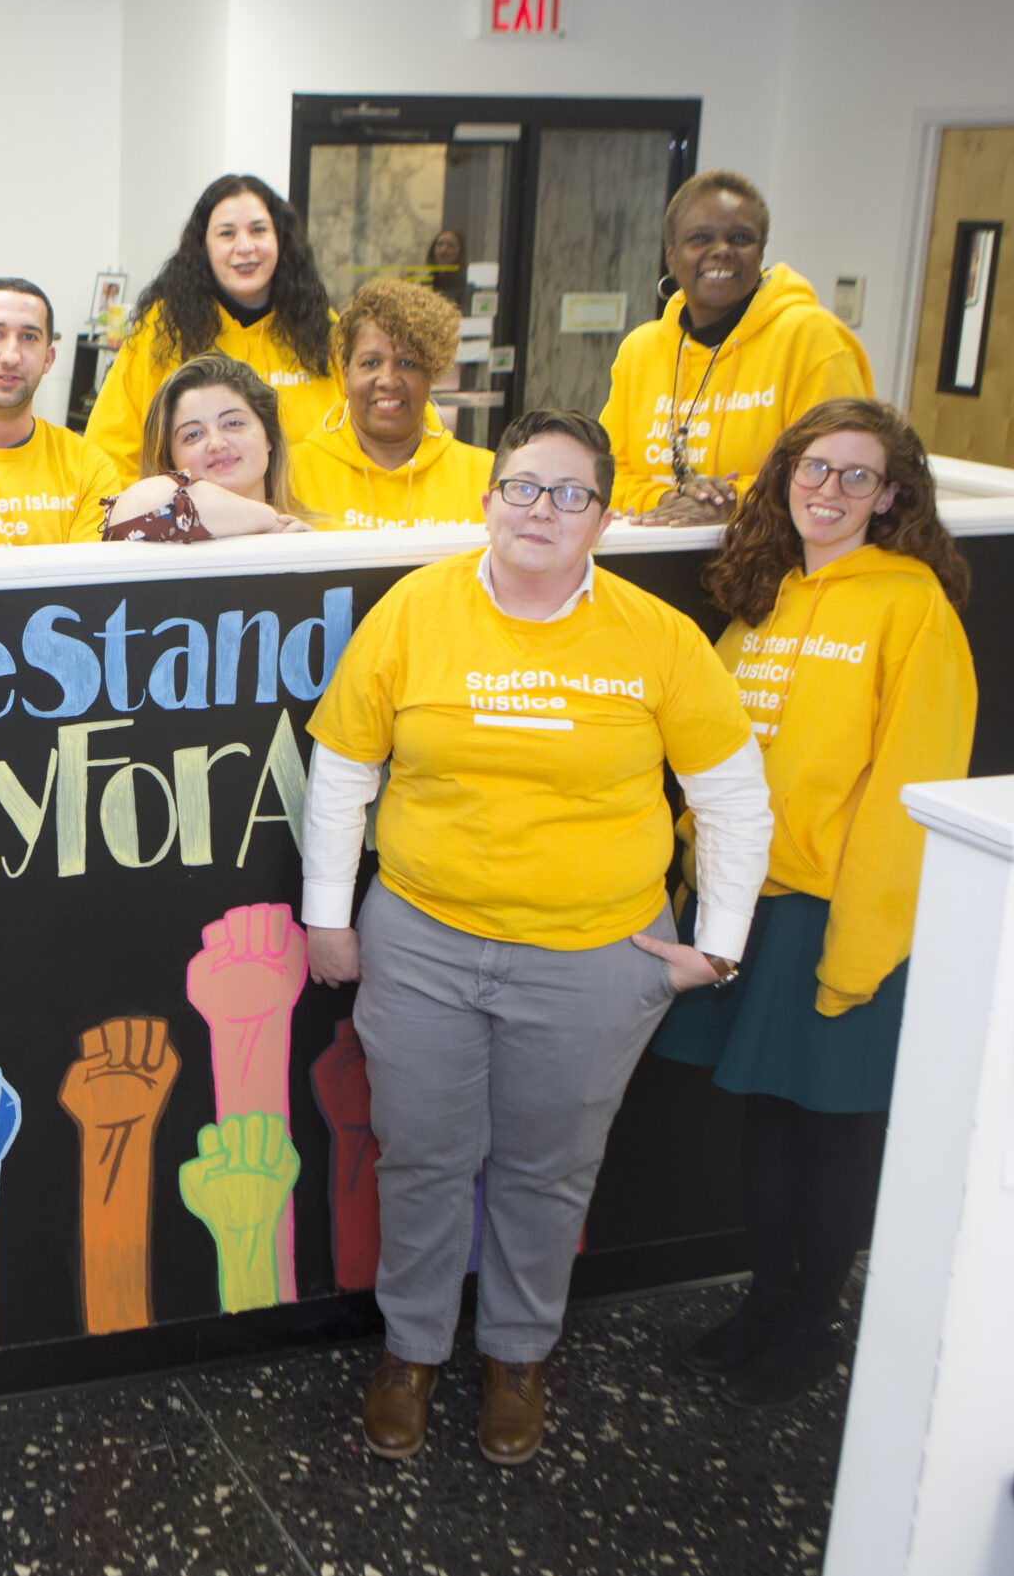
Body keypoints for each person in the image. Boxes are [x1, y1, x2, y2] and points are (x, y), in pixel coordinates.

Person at [301, 410, 773, 1467]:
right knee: (421, 1156)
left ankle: (516, 1355)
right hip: (421, 942)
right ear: (486, 500)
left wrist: (721, 942)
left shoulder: (656, 637)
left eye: (568, 494)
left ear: (602, 518)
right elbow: (342, 771)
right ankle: (412, 1351)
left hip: (594, 960)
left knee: (547, 1166)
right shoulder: (416, 609)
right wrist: (327, 916)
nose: (541, 511)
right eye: (523, 487)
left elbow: (734, 797)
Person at [653, 399, 974, 1406]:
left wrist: (862, 946)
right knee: (765, 1124)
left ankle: (811, 1325)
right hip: (750, 906)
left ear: (889, 497)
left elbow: (914, 791)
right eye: (812, 468)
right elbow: (702, 754)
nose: (827, 491)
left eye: (855, 476)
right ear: (783, 475)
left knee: (831, 1131)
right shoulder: (762, 598)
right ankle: (763, 1304)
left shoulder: (911, 603)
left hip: (846, 918)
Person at [603, 171, 872, 523]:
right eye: (700, 238)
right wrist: (666, 498)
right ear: (671, 255)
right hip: (656, 562)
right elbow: (605, 473)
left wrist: (734, 501)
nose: (721, 251)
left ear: (760, 252)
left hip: (773, 564)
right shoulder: (640, 350)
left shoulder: (812, 337)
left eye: (740, 238)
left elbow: (844, 473)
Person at [83, 175, 340, 477]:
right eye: (226, 234)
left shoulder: (322, 327)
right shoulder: (162, 329)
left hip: (309, 521)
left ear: (281, 239)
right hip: (190, 522)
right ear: (203, 245)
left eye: (259, 230)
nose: (245, 247)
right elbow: (109, 451)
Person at [286, 278, 492, 531]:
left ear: (432, 375)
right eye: (371, 363)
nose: (388, 380)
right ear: (346, 373)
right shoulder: (290, 476)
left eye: (408, 363)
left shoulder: (484, 476)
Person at [0, 277, 127, 547]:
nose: (11, 356)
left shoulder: (87, 467)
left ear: (48, 358)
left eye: (29, 337)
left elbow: (84, 584)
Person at [100, 353, 311, 542]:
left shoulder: (307, 534)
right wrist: (269, 520)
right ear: (169, 461)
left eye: (233, 423)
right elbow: (142, 504)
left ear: (268, 436)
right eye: (193, 435)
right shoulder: (148, 534)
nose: (217, 443)